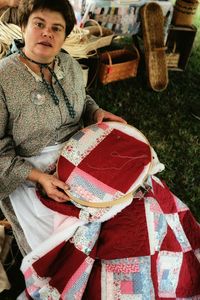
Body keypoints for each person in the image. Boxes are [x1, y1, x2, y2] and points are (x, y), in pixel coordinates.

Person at [0, 0, 200, 299]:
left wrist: (96, 113)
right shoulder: (4, 77)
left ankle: (167, 273)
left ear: (65, 35)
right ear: (24, 27)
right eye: (39, 24)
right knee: (88, 234)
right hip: (31, 170)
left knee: (147, 200)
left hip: (82, 149)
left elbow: (83, 98)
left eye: (57, 28)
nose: (47, 34)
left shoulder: (65, 62)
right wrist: (39, 177)